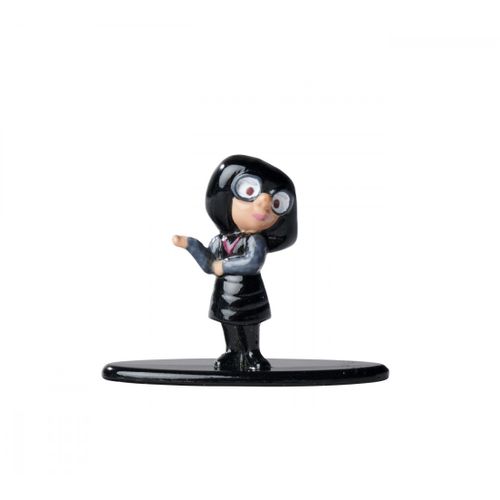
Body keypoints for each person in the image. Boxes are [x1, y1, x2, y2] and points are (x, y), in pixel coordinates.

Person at [172, 155, 297, 371]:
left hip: (249, 292)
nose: (264, 205)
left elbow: (252, 263)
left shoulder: (255, 241)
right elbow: (209, 265)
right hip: (226, 292)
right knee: (228, 321)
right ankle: (233, 351)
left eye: (276, 204)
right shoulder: (219, 240)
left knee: (249, 322)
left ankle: (252, 353)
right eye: (249, 192)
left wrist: (223, 266)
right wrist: (191, 245)